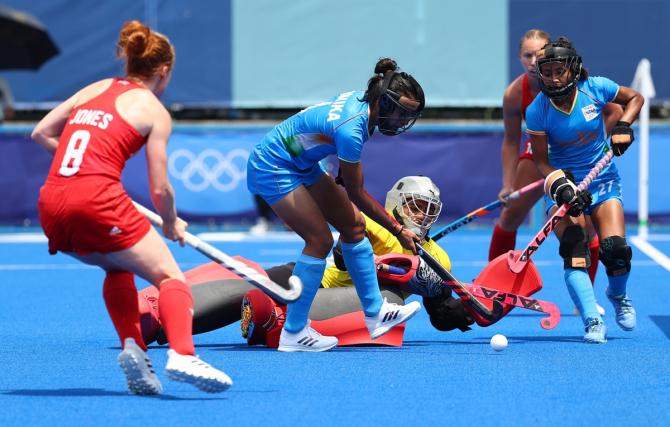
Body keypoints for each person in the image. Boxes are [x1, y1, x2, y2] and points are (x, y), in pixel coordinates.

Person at [31, 21, 231, 395]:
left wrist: (87, 163)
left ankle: (134, 349)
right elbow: (160, 188)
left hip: (51, 202)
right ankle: (183, 354)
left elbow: (40, 132)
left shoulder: (96, 88)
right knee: (170, 277)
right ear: (164, 71)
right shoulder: (154, 111)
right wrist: (171, 222)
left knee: (115, 264)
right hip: (95, 199)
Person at [136, 176, 477, 348]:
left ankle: (273, 319)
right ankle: (156, 313)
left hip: (344, 305)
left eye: (429, 210)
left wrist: (462, 310)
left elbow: (440, 311)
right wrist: (379, 262)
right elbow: (344, 256)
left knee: (389, 301)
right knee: (253, 278)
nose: (423, 214)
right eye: (417, 205)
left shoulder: (439, 257)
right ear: (397, 204)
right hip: (318, 280)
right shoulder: (377, 225)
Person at [246, 58, 425, 352]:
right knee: (319, 240)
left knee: (354, 227)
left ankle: (375, 313)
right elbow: (356, 193)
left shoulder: (364, 104)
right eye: (402, 114)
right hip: (273, 164)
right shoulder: (353, 130)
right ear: (385, 104)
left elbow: (321, 137)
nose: (403, 122)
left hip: (299, 159)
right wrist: (397, 229)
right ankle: (293, 333)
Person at [489, 29, 622, 315]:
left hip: (575, 162)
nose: (533, 60)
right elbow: (511, 140)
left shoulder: (580, 84)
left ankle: (584, 299)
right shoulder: (515, 93)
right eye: (528, 55)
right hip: (537, 157)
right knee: (510, 215)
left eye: (539, 54)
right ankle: (496, 290)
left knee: (586, 229)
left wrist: (589, 142)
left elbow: (613, 112)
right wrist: (507, 183)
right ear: (520, 58)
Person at [525, 37, 644, 343]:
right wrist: (562, 187)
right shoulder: (537, 110)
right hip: (566, 185)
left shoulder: (597, 88)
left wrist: (623, 126)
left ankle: (617, 295)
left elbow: (636, 99)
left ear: (573, 70)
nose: (553, 77)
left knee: (616, 252)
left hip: (602, 181)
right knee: (575, 250)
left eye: (559, 71)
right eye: (547, 71)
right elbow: (540, 161)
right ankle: (592, 320)